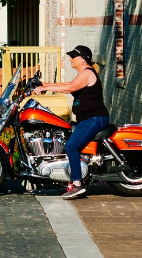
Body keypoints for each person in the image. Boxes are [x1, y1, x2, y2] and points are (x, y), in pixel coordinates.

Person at [33, 44, 109, 199]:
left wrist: (45, 87)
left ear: (83, 59)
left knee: (71, 146)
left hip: (95, 119)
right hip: (87, 119)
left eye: (73, 57)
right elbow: (67, 85)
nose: (70, 59)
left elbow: (69, 87)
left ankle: (77, 184)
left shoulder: (88, 73)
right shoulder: (83, 73)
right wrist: (44, 85)